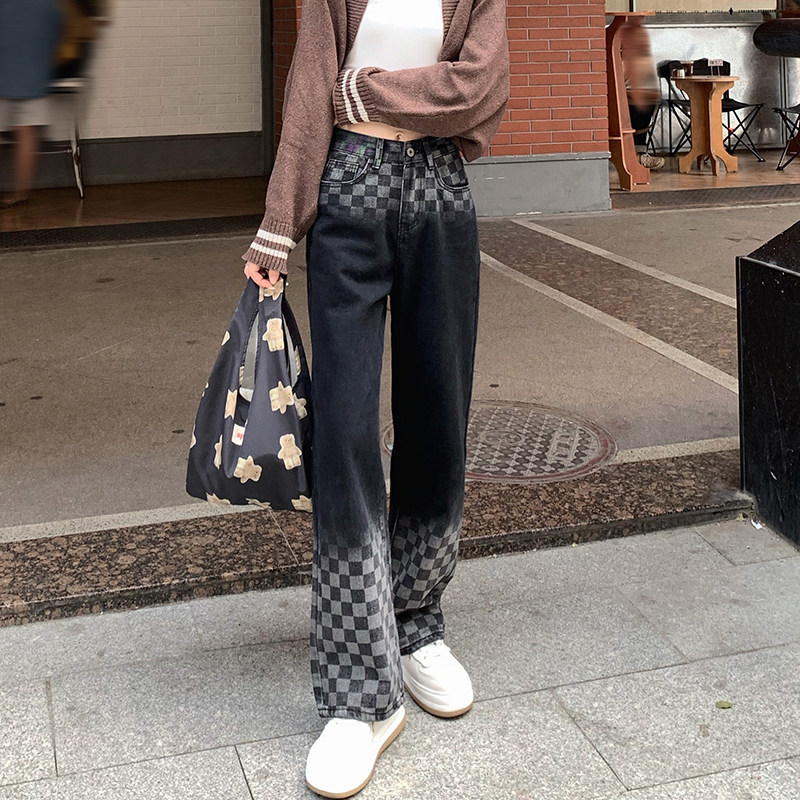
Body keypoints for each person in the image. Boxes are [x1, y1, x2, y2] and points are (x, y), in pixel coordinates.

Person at [241, 0, 509, 796]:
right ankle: (360, 690)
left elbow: (478, 87)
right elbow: (309, 89)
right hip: (349, 191)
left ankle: (417, 623)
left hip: (440, 195)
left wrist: (361, 90)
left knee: (438, 419)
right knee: (346, 434)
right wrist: (277, 227)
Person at [0, 0, 63, 208]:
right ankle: (21, 194)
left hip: (4, 75)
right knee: (26, 134)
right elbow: (55, 39)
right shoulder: (47, 5)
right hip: (34, 77)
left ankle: (20, 194)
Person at [620, 19, 664, 171]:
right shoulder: (620, 59)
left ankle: (640, 153)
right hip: (623, 100)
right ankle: (638, 155)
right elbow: (619, 82)